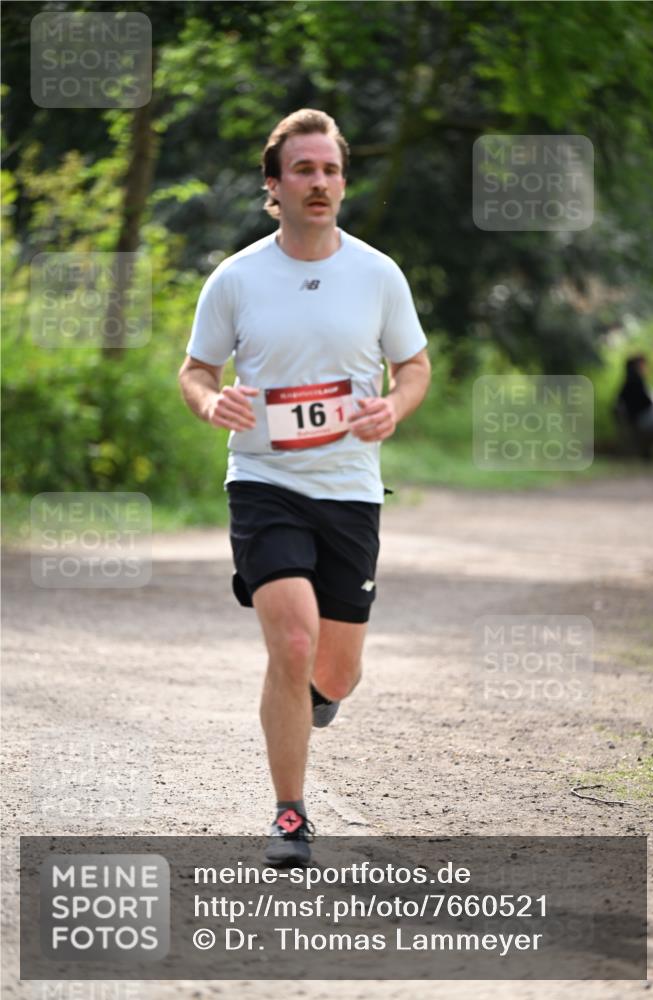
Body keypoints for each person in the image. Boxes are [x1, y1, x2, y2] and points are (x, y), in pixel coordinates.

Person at [179, 108, 431, 865]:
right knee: (291, 641)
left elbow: (413, 366)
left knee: (335, 669)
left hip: (349, 488)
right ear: (273, 185)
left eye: (329, 170)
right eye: (302, 170)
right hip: (264, 481)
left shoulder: (377, 274)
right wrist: (208, 401)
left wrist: (393, 405)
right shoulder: (237, 278)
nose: (318, 182)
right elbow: (197, 370)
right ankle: (289, 815)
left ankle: (318, 698)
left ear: (342, 182)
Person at [615, 354, 653, 460]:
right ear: (638, 365)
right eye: (643, 364)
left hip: (642, 419)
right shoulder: (634, 381)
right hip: (643, 420)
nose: (646, 367)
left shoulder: (632, 381)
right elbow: (647, 403)